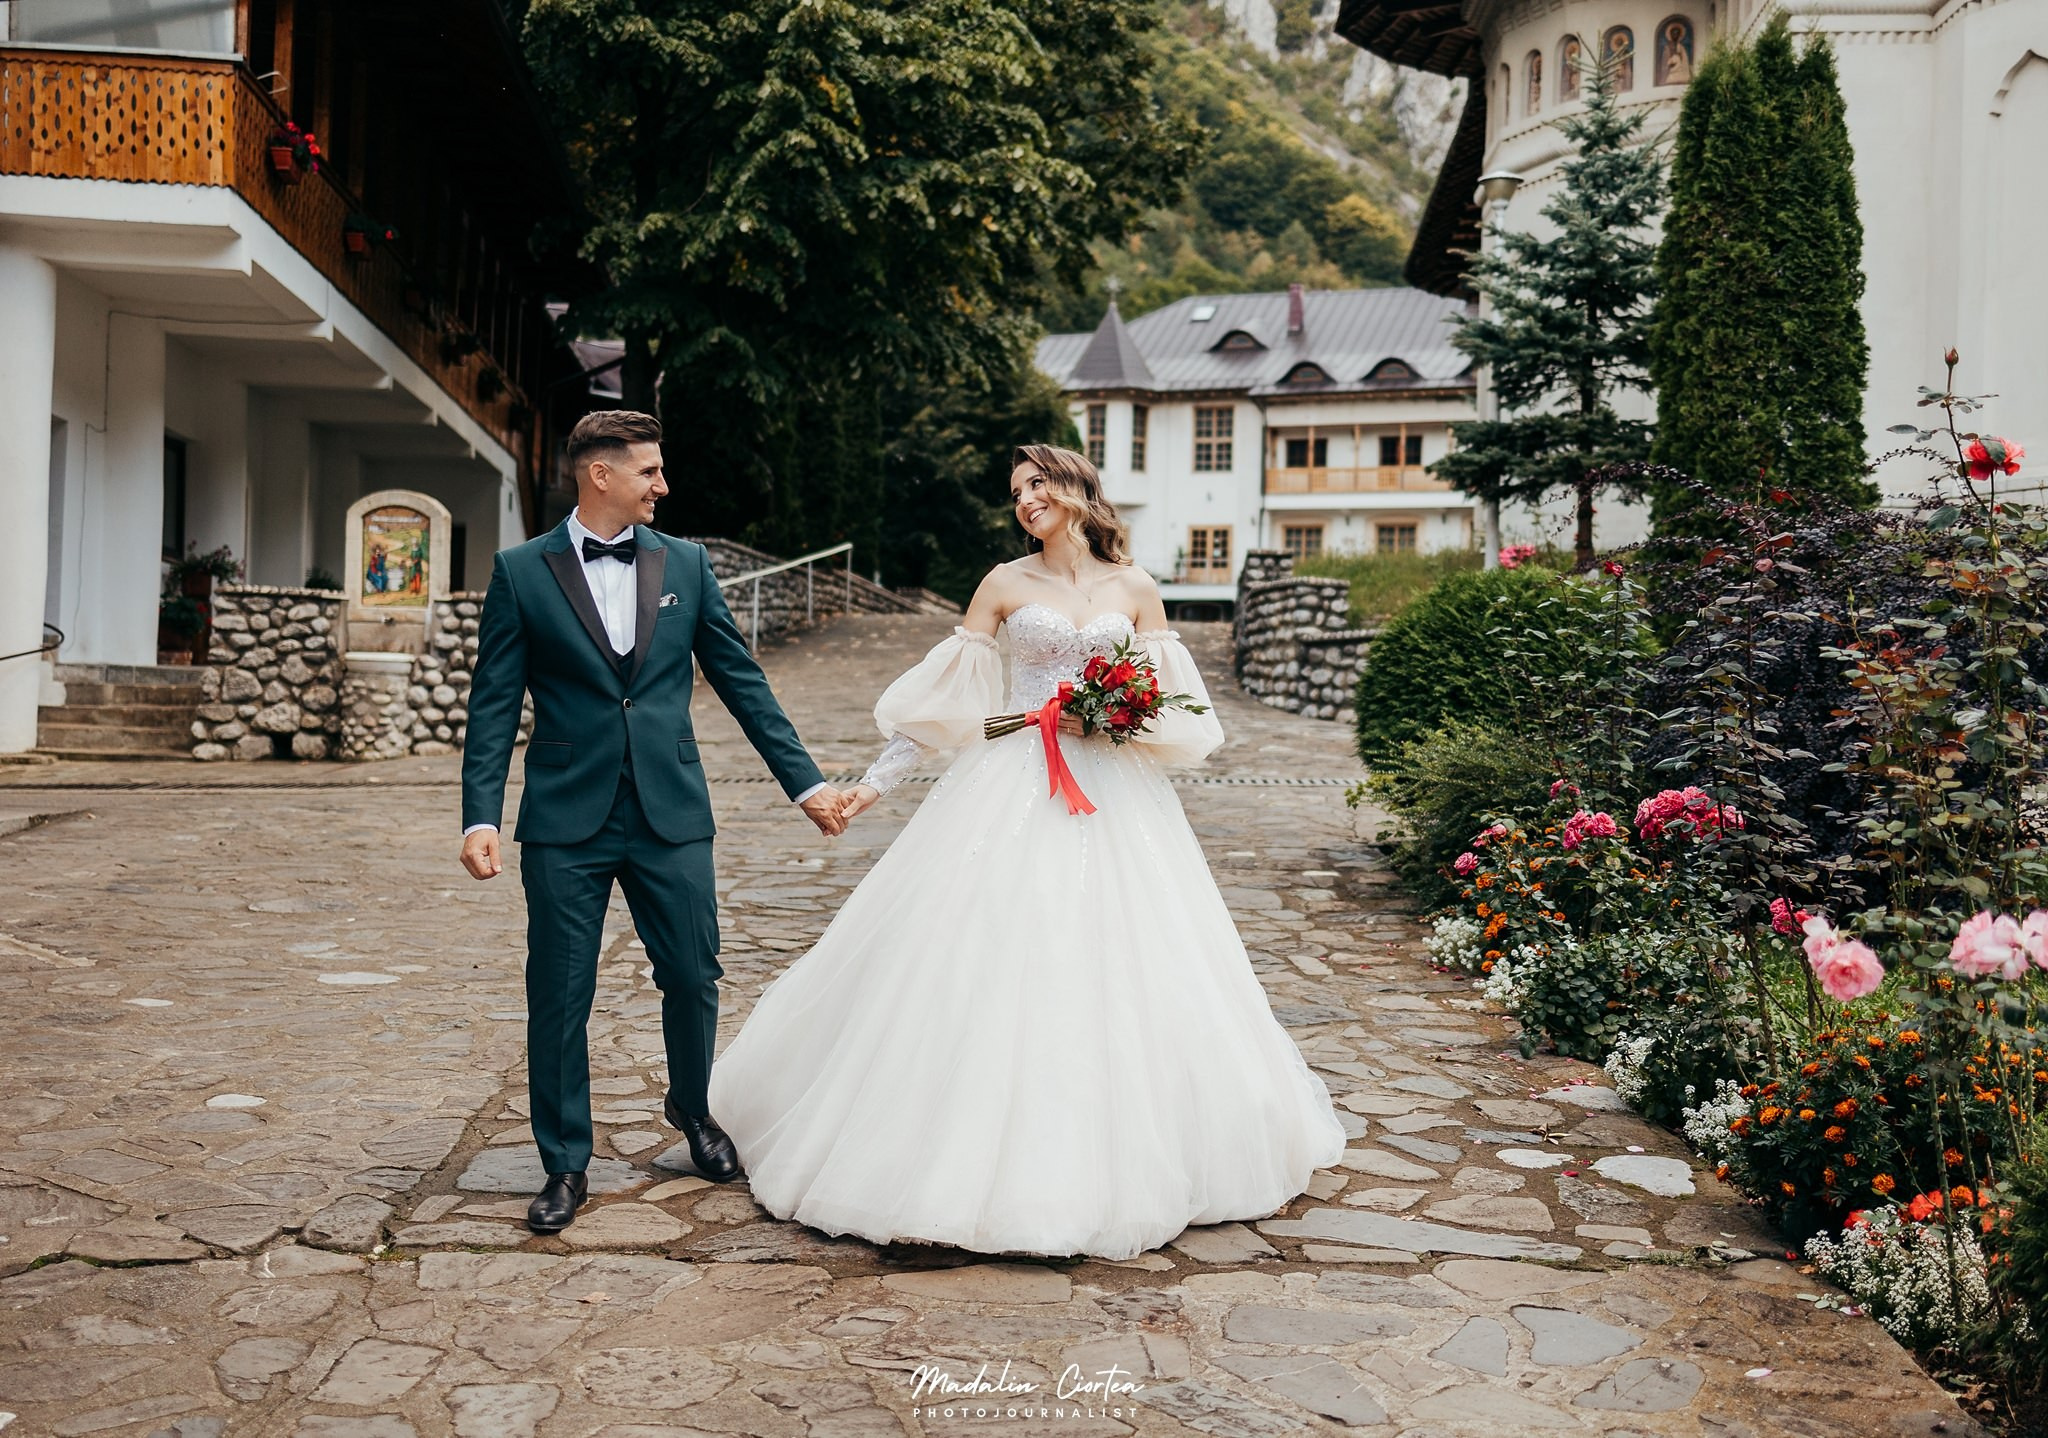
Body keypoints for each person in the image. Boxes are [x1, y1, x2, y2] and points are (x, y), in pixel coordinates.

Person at [706, 444, 1348, 1260]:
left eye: (1036, 484)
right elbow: (948, 703)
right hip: (1010, 775)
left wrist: (1115, 720)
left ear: (1078, 489)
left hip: (1113, 792)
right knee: (979, 951)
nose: (1024, 501)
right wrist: (870, 784)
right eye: (1015, 492)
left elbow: (1176, 707)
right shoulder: (1004, 584)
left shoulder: (1134, 588)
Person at [458, 409, 849, 1234]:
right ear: (600, 474)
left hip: (671, 810)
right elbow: (492, 704)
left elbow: (743, 683)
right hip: (566, 817)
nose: (663, 486)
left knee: (693, 974)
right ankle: (564, 1161)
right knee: (559, 993)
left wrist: (804, 784)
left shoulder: (688, 566)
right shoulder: (522, 572)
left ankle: (693, 1108)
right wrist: (480, 816)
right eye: (650, 471)